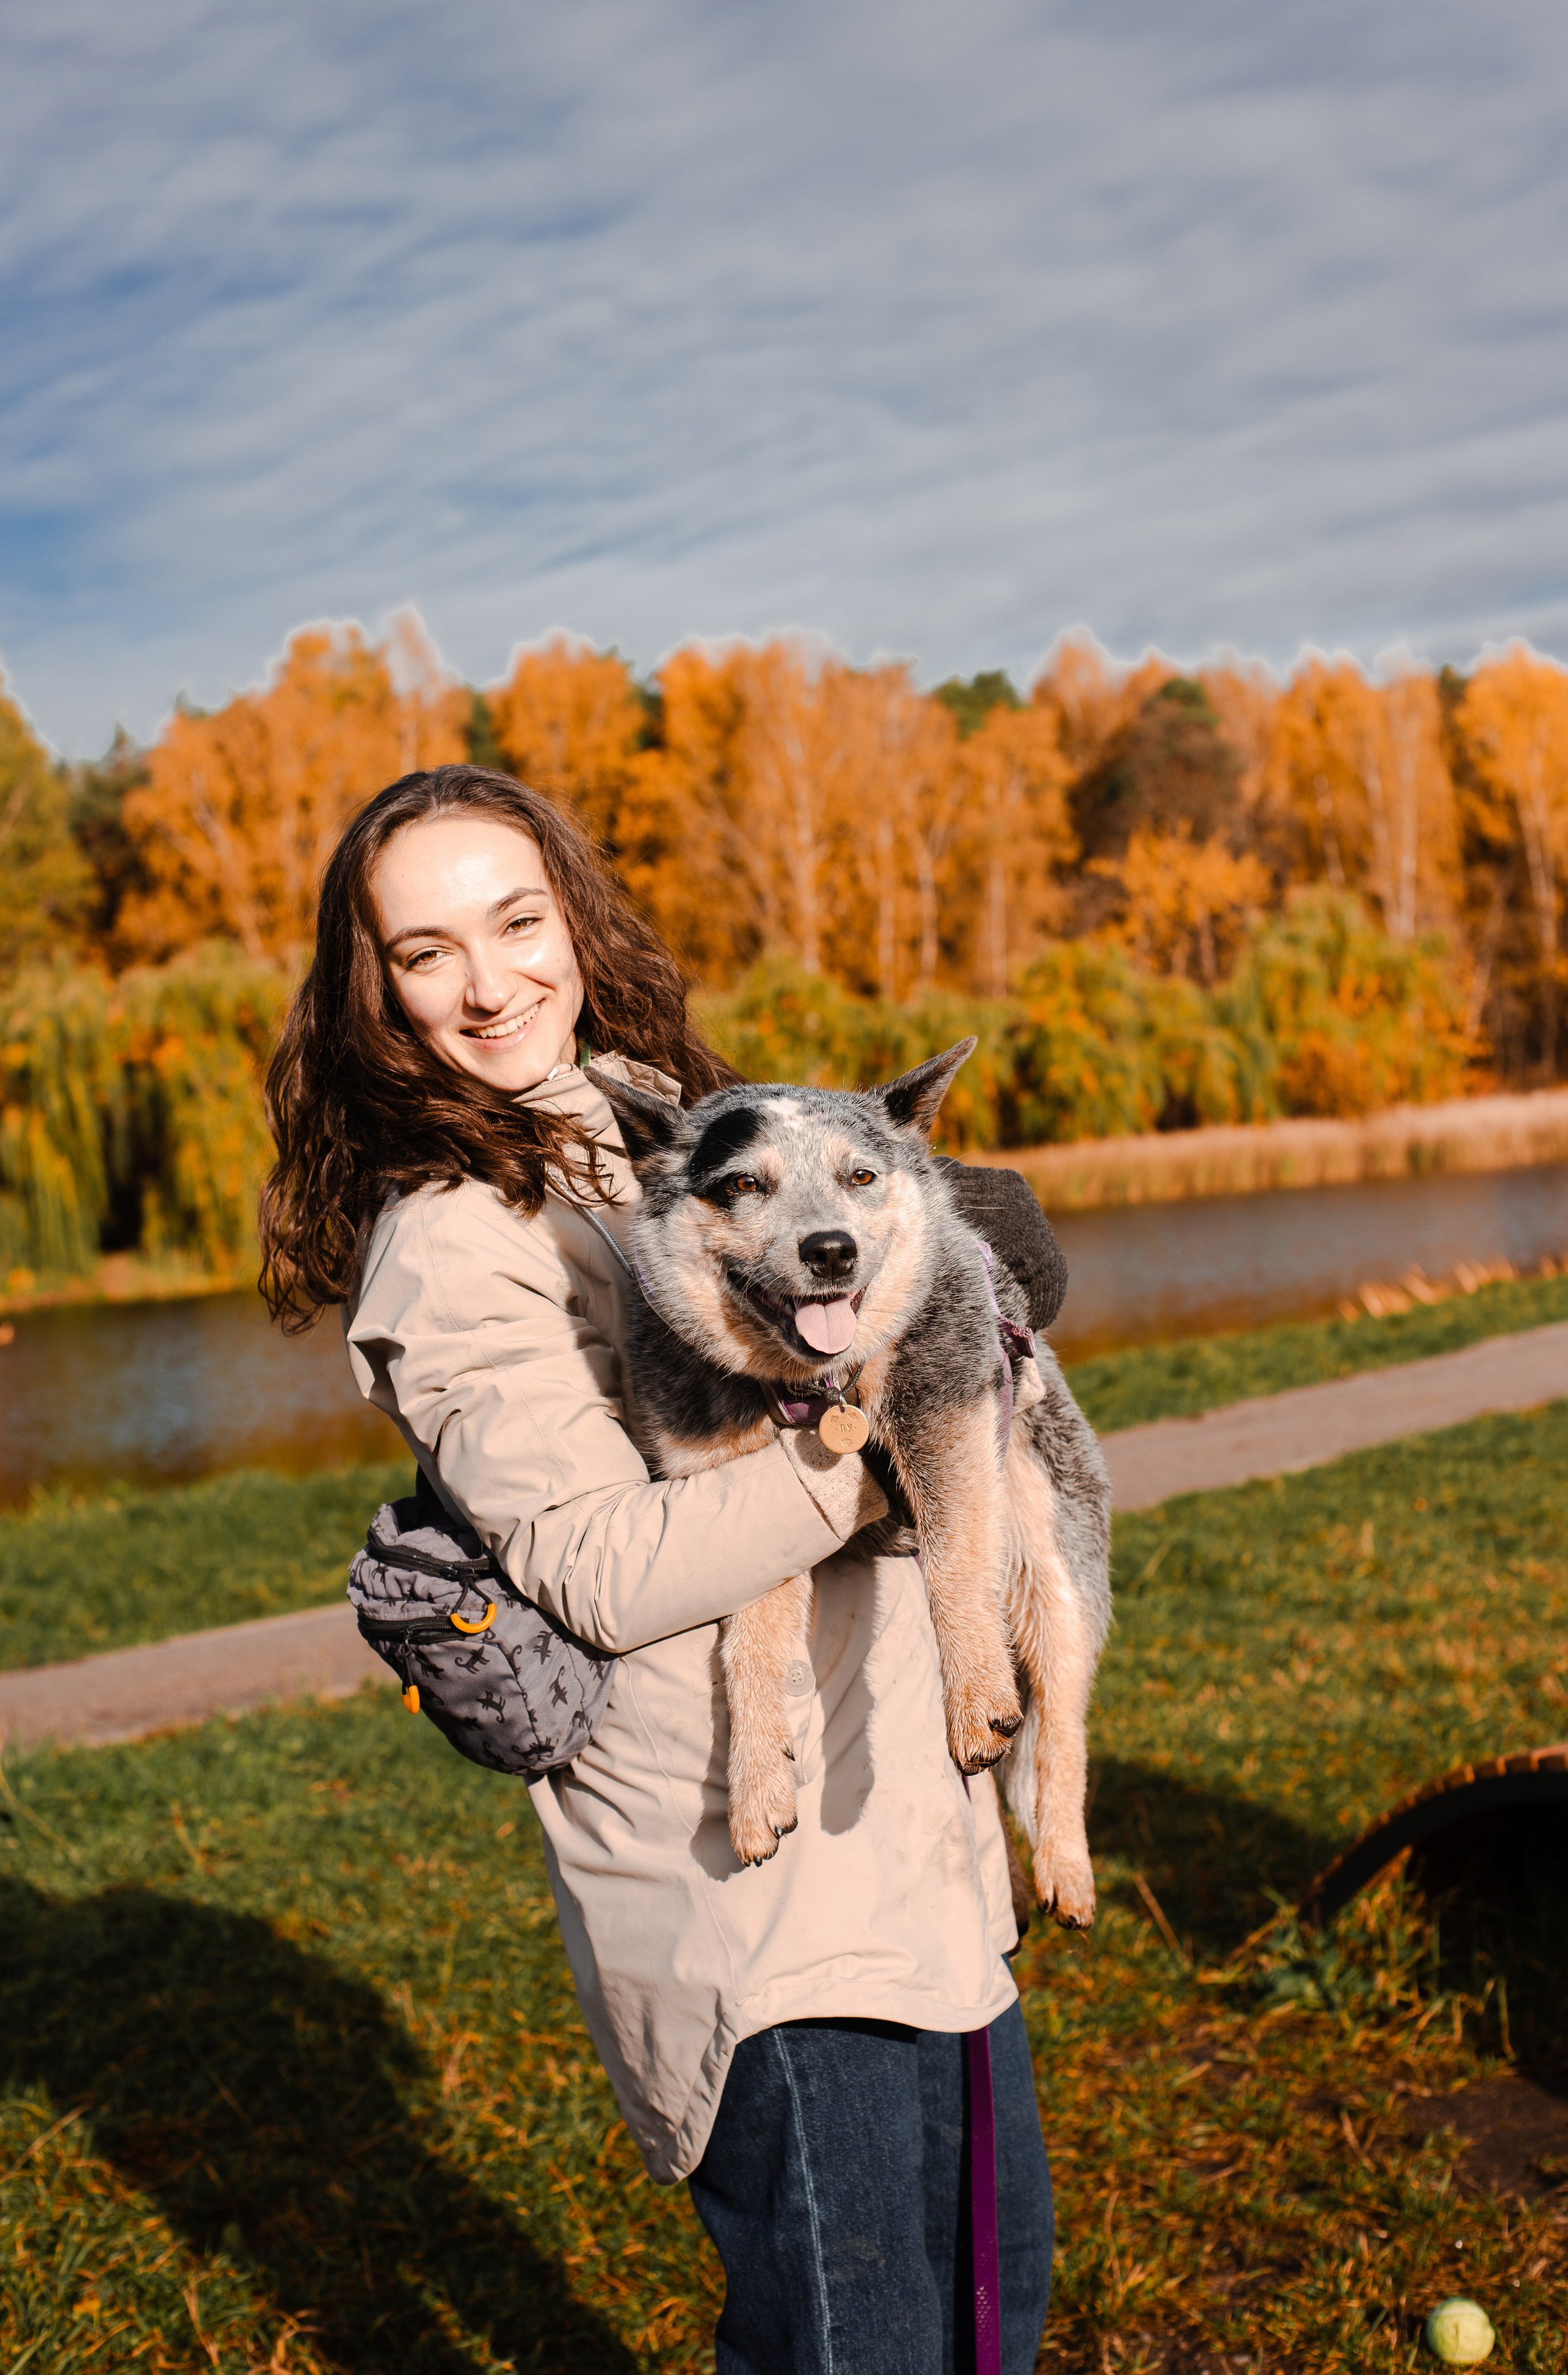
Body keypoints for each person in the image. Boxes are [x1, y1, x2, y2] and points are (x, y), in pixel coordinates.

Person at [259, 763, 1053, 2374]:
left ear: (572, 918)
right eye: (426, 953)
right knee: (866, 2351)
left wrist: (957, 1266)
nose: (489, 985)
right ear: (375, 995)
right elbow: (607, 1568)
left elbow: (858, 1255)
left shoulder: (659, 1125)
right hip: (748, 1889)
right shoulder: (455, 1239)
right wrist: (885, 1441)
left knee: (993, 2315)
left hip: (906, 1833)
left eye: (516, 921)